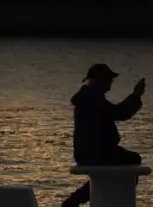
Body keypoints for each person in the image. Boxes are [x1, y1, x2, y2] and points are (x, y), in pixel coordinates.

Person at [62, 63, 147, 207]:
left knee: (109, 175)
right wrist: (135, 96)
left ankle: (75, 200)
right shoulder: (92, 99)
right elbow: (120, 113)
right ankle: (117, 200)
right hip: (97, 153)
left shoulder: (88, 97)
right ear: (98, 80)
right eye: (108, 79)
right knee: (133, 159)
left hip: (88, 152)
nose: (110, 82)